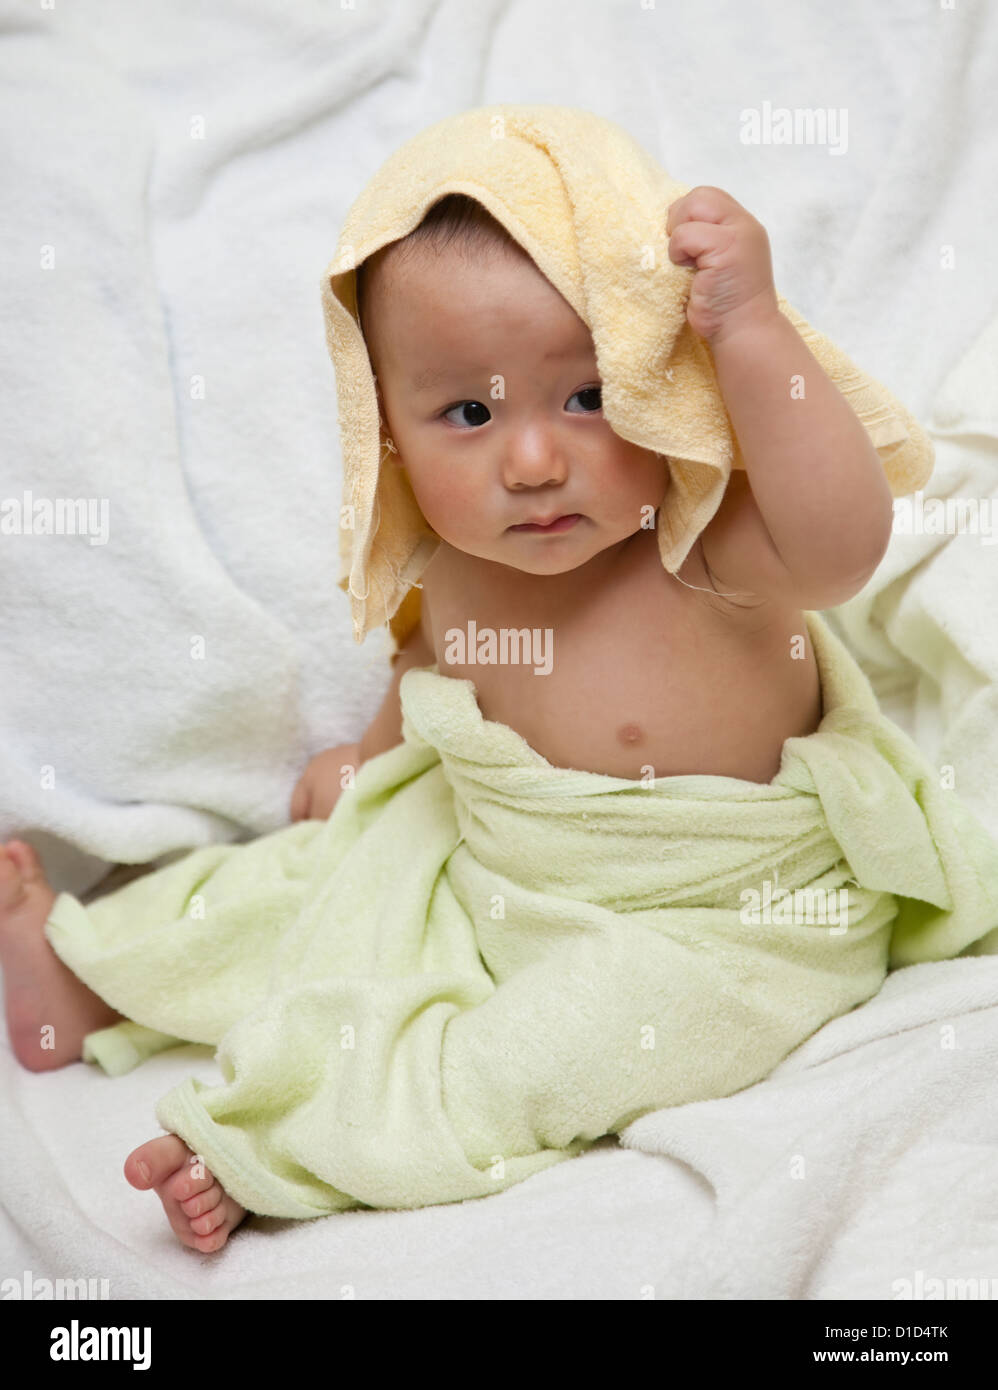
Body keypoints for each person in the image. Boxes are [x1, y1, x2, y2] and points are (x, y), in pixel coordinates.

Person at [0, 185, 969, 1253]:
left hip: (725, 917)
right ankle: (90, 978)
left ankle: (295, 1141)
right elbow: (430, 682)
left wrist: (748, 330)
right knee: (303, 884)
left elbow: (839, 541)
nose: (533, 463)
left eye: (587, 396)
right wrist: (359, 771)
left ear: (662, 387)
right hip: (501, 875)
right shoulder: (455, 572)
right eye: (470, 412)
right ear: (392, 435)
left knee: (553, 1045)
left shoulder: (699, 544)